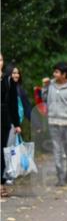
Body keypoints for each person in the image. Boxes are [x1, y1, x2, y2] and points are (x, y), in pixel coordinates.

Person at [1, 54, 23, 195]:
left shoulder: (8, 80)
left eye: (1, 59)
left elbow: (14, 104)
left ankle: (1, 184)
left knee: (1, 151)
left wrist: (16, 124)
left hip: (3, 119)